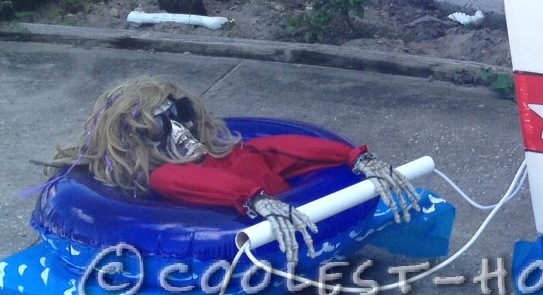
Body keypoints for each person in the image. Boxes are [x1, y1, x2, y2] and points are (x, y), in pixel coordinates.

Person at [47, 76, 421, 269]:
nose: (181, 133)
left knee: (273, 155)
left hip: (275, 196)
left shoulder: (231, 153)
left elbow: (283, 149)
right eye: (161, 128)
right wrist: (257, 201)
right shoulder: (164, 176)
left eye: (181, 117)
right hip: (234, 225)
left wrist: (353, 157)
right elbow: (193, 182)